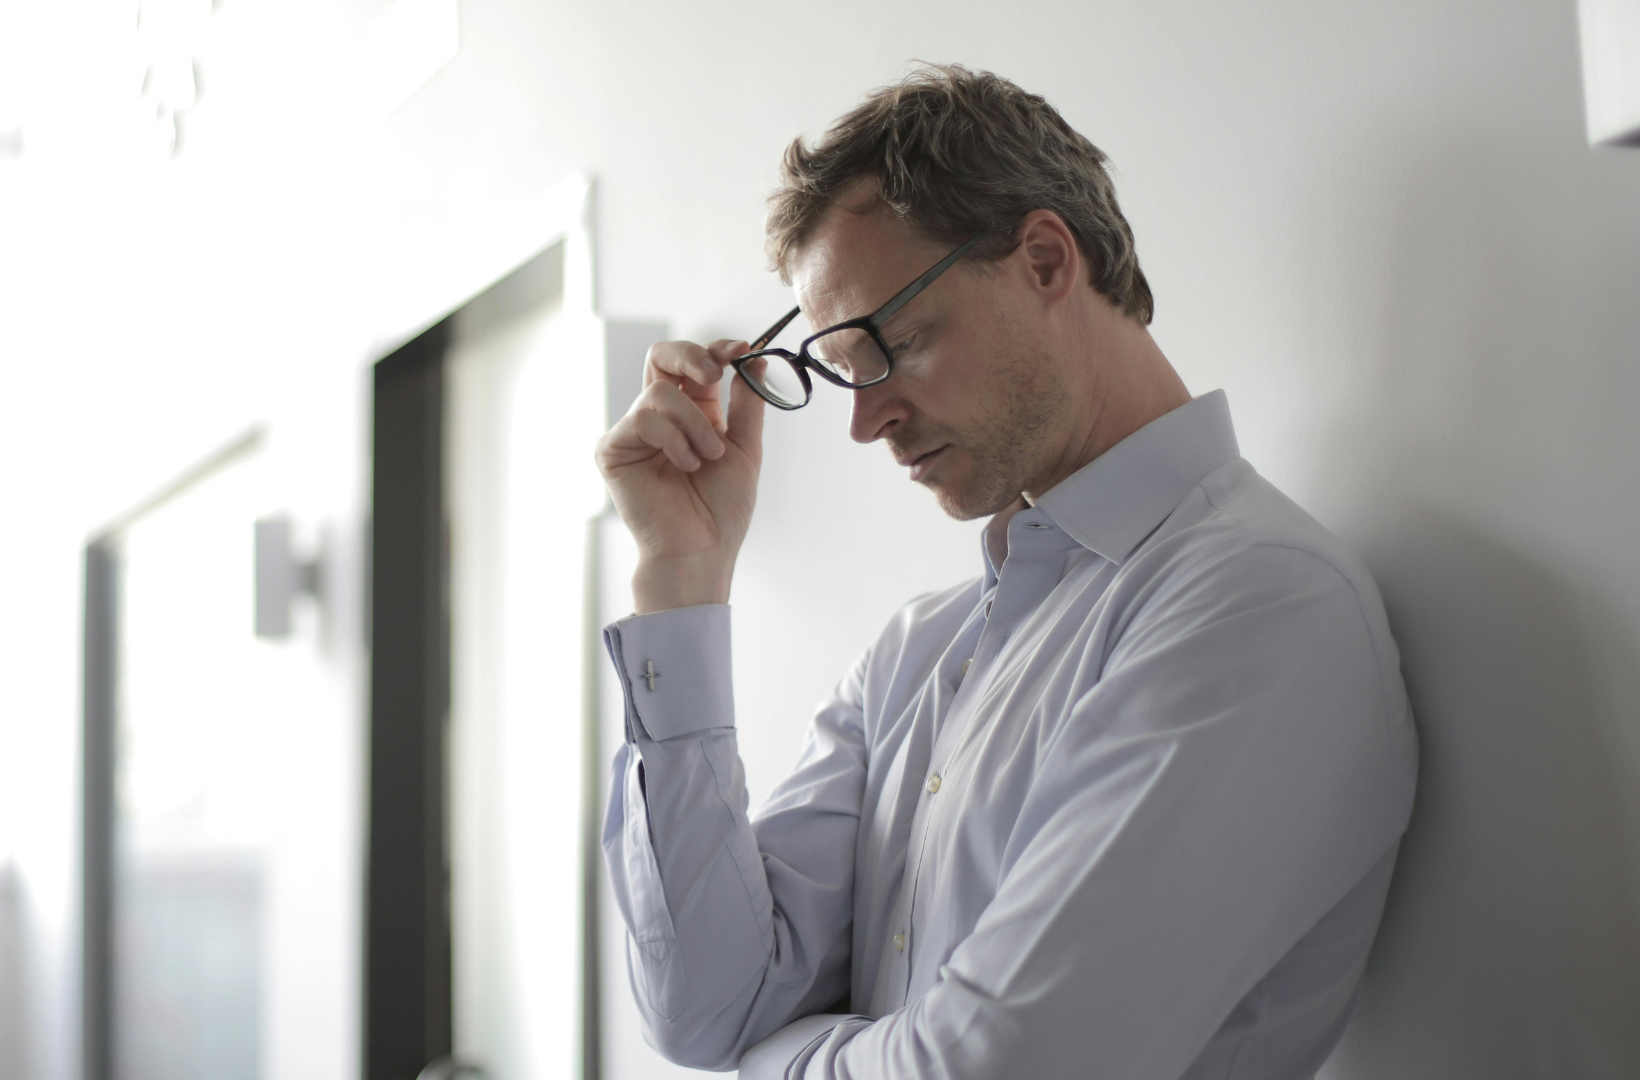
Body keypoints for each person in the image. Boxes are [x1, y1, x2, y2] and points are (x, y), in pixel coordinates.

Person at [594, 64, 1416, 1079]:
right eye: (841, 376)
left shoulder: (1260, 605)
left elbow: (991, 1068)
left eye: (893, 346)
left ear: (1042, 259)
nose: (866, 422)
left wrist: (783, 1059)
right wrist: (679, 578)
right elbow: (702, 1012)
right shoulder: (914, 654)